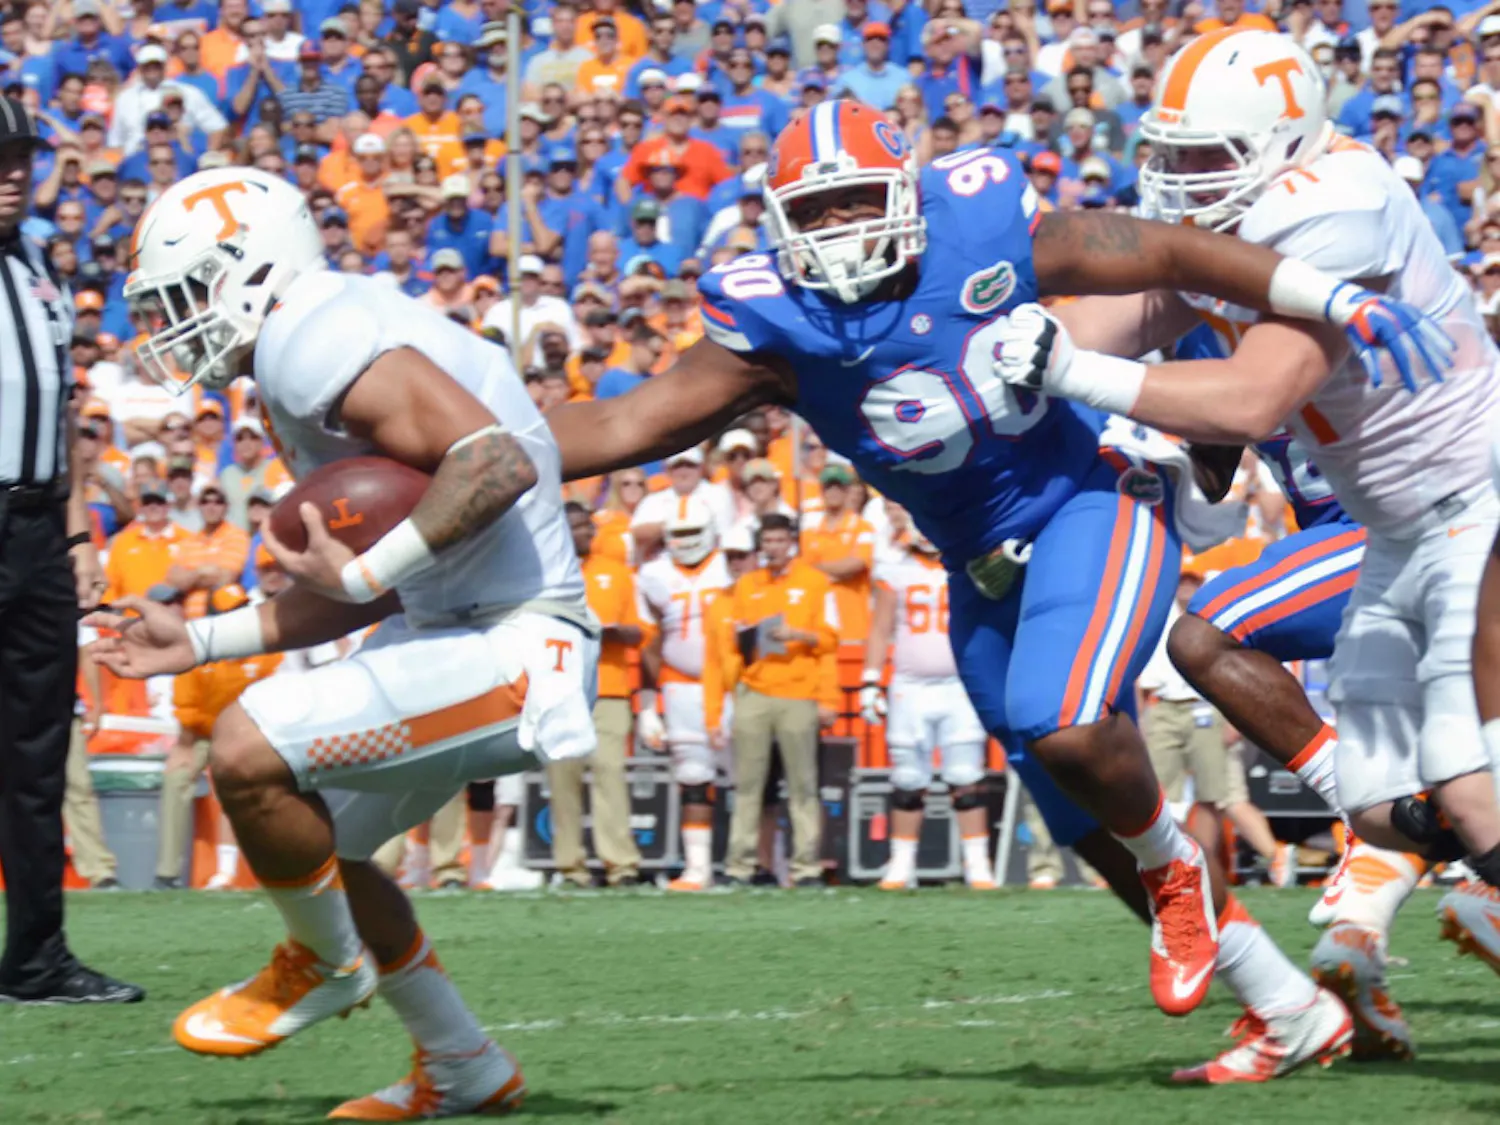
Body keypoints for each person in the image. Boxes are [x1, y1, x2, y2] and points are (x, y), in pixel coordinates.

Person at [542, 97, 1442, 1024]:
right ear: (778, 223)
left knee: (1068, 723)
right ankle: (1290, 1007)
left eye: (855, 200)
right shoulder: (780, 329)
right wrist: (470, 442)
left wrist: (1322, 290)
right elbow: (620, 423)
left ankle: (1208, 861)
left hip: (1091, 493)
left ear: (904, 192)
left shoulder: (981, 229)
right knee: (1081, 812)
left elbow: (1165, 251)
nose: (840, 227)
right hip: (977, 562)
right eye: (814, 211)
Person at [996, 30, 1500, 1070]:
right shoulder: (1254, 209)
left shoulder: (1335, 202)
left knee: (1463, 783)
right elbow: (1145, 301)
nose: (1182, 185)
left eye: (1207, 159)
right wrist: (988, 343)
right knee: (1380, 809)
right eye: (1170, 157)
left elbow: (1253, 394)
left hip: (1474, 502)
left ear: (1286, 141)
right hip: (1405, 526)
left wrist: (1064, 371)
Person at [91, 166, 599, 1116]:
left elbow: (492, 461)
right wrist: (197, 640)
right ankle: (464, 1067)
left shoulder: (306, 333)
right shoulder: (315, 339)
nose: (174, 324)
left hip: (521, 643)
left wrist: (369, 572)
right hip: (454, 631)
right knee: (328, 843)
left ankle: (325, 963)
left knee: (245, 748)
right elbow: (361, 583)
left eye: (188, 294)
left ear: (252, 269)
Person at [0, 96, 140, 1004]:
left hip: (39, 530)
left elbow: (69, 415)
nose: (12, 171)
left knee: (38, 751)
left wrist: (83, 529)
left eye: (19, 157)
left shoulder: (39, 266)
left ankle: (37, 954)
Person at [704, 514, 839, 886]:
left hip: (799, 691)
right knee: (748, 785)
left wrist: (799, 635)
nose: (774, 547)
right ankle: (740, 865)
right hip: (755, 690)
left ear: (791, 542)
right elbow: (728, 645)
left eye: (780, 540)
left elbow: (831, 640)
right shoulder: (747, 586)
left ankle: (806, 866)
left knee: (803, 785)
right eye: (768, 541)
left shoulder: (815, 583)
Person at [862, 522, 996, 891]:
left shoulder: (968, 561)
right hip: (911, 685)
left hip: (958, 683)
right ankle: (901, 865)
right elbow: (880, 627)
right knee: (907, 779)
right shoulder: (895, 569)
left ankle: (977, 865)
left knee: (966, 776)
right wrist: (871, 678)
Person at [635, 497, 735, 891]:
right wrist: (646, 704)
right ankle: (698, 867)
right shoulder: (652, 574)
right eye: (679, 534)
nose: (687, 540)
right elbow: (650, 642)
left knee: (748, 774)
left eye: (694, 532)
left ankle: (761, 860)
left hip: (730, 684)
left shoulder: (730, 565)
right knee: (693, 775)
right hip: (680, 685)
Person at [547, 502, 645, 888]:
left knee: (611, 774)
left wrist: (613, 632)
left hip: (609, 687)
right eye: (578, 526)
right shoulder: (546, 577)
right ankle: (570, 866)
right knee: (563, 780)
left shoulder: (617, 573)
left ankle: (620, 865)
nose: (588, 531)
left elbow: (638, 630)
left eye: (589, 524)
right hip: (561, 690)